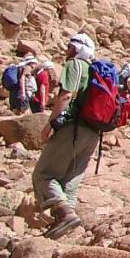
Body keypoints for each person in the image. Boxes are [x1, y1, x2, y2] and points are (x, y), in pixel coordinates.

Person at [32, 34, 101, 239]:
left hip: (74, 128)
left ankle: (63, 214)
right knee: (69, 180)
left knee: (43, 175)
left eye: (70, 46)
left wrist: (50, 123)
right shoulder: (95, 71)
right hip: (94, 133)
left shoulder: (75, 65)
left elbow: (66, 95)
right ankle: (64, 230)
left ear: (79, 49)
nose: (66, 50)